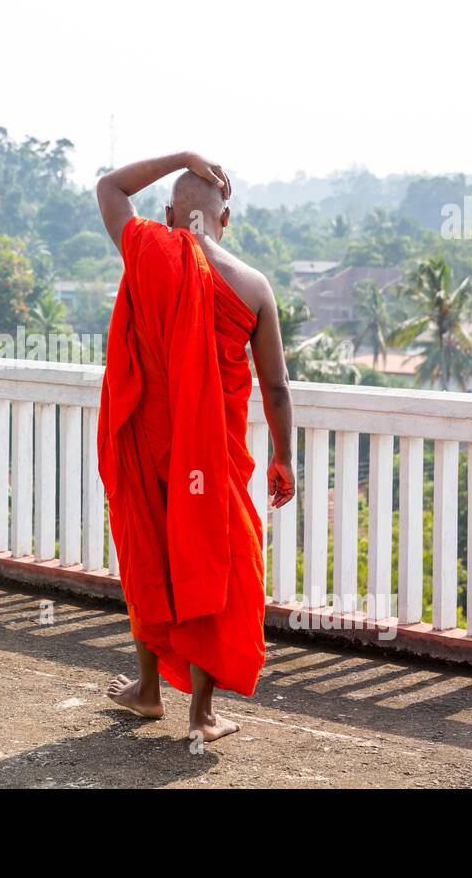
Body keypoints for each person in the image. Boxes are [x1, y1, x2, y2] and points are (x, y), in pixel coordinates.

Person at [95, 151, 296, 743]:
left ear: (168, 212)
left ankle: (148, 689)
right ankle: (202, 715)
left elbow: (109, 185)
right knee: (211, 566)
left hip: (148, 442)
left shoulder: (145, 249)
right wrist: (284, 456)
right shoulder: (253, 285)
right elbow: (276, 385)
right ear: (224, 219)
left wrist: (184, 156)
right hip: (211, 461)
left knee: (149, 554)